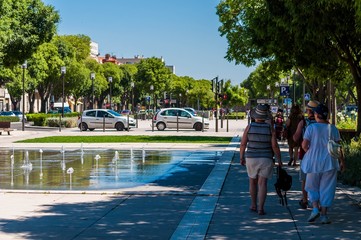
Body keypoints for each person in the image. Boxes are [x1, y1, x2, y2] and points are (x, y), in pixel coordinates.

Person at [301, 104, 345, 224]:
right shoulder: (333, 129)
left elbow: (304, 145)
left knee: (312, 186)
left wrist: (311, 153)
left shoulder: (311, 128)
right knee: (327, 188)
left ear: (316, 115)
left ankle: (315, 208)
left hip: (313, 162)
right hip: (330, 162)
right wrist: (342, 161)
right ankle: (324, 215)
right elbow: (338, 148)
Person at [240, 104, 282, 215]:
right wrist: (279, 159)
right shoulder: (270, 128)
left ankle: (253, 204)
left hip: (251, 158)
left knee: (252, 181)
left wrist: (241, 157)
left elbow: (243, 144)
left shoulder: (249, 127)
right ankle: (261, 208)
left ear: (255, 116)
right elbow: (274, 146)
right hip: (266, 158)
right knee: (262, 183)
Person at [292, 100, 319, 209]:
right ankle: (318, 202)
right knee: (318, 179)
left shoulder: (303, 122)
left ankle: (305, 200)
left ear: (309, 111)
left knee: (304, 178)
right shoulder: (323, 123)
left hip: (306, 154)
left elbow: (296, 137)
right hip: (319, 154)